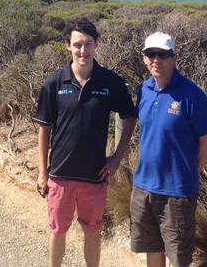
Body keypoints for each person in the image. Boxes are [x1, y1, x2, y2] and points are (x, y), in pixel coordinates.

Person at [34, 18, 137, 267]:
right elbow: (44, 128)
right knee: (58, 231)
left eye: (88, 44)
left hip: (94, 175)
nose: (83, 50)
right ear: (68, 45)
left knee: (93, 231)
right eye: (77, 44)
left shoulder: (110, 82)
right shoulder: (54, 83)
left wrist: (116, 158)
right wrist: (42, 171)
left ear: (96, 45)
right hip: (60, 174)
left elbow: (130, 117)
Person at [130, 32, 207, 267]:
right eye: (151, 54)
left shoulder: (192, 94)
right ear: (144, 58)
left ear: (174, 58)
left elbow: (206, 139)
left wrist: (191, 171)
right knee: (152, 250)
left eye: (163, 54)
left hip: (176, 192)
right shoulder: (143, 90)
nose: (156, 59)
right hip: (143, 187)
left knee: (178, 258)